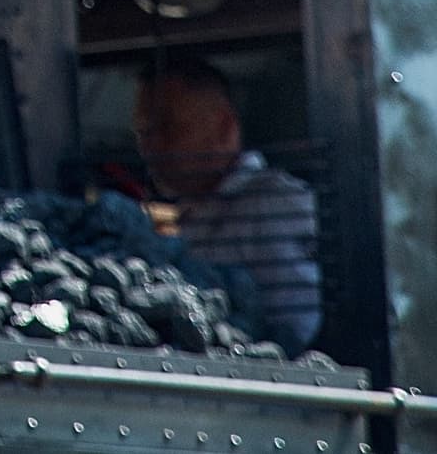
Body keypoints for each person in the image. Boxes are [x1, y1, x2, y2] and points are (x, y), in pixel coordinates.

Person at [134, 57, 323, 350]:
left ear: (225, 128)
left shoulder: (274, 205)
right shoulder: (181, 219)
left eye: (168, 127)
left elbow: (301, 331)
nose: (151, 147)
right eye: (143, 133)